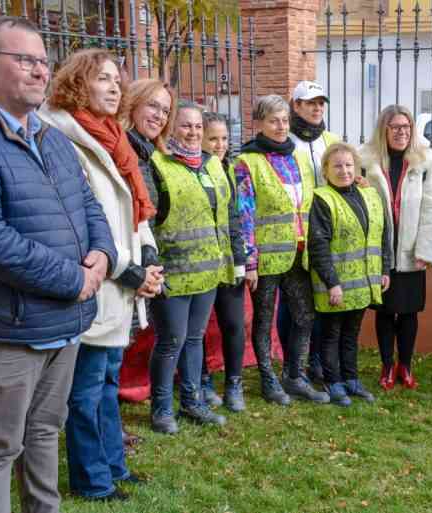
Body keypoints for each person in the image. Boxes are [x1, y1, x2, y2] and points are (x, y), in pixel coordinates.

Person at [0, 17, 116, 513]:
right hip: (2, 335)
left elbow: (90, 205)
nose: (39, 72)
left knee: (43, 435)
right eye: (25, 60)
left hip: (62, 326)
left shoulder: (52, 138)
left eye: (42, 61)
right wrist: (73, 280)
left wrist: (103, 255)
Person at [38, 49, 163, 502]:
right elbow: (83, 219)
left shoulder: (113, 136)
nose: (115, 88)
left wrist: (147, 258)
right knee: (88, 390)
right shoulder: (63, 136)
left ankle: (113, 465)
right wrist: (132, 272)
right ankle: (93, 480)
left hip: (125, 279)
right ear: (77, 84)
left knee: (108, 381)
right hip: (98, 281)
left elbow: (134, 205)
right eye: (103, 80)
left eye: (117, 80)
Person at [234, 94, 330, 405]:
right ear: (259, 123)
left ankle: (295, 375)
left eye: (284, 120)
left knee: (304, 316)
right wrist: (249, 260)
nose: (280, 126)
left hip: (299, 254)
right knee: (264, 320)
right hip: (266, 258)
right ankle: (268, 378)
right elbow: (244, 213)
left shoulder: (298, 157)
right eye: (273, 121)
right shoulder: (246, 162)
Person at [148, 102, 237, 430]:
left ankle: (192, 401)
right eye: (186, 126)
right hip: (172, 270)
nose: (193, 133)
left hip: (208, 270)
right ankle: (161, 409)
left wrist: (230, 262)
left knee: (196, 337)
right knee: (171, 339)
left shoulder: (213, 164)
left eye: (198, 127)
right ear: (171, 127)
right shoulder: (157, 163)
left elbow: (225, 218)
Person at [360, 104, 432, 390]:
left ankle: (404, 365)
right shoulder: (365, 159)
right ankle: (386, 365)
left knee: (408, 312)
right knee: (384, 311)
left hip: (410, 250)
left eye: (406, 128)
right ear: (384, 129)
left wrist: (425, 249)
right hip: (380, 251)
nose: (401, 133)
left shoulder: (425, 159)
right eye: (395, 128)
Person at [117, 78, 177, 446]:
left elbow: (148, 215)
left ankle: (109, 430)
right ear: (133, 104)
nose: (159, 115)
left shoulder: (146, 153)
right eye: (153, 105)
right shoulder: (121, 148)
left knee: (120, 351)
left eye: (165, 110)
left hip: (142, 262)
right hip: (122, 267)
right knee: (111, 356)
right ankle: (106, 433)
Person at [308, 143, 391, 406]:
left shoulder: (369, 195)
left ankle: (351, 379)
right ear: (325, 171)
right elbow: (318, 245)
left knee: (351, 334)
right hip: (335, 285)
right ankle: (333, 382)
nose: (344, 171)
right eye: (337, 166)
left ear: (356, 168)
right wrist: (332, 283)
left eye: (348, 165)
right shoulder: (322, 199)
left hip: (363, 283)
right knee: (331, 334)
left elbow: (383, 234)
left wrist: (384, 270)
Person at [278, 80, 341, 383]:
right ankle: (291, 362)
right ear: (296, 106)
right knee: (292, 304)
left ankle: (314, 358)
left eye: (320, 103)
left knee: (319, 299)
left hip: (326, 230)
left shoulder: (331, 139)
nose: (317, 108)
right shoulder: (285, 141)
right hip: (295, 234)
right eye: (310, 103)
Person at [199, 111, 249, 412]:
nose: (219, 145)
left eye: (224, 139)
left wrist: (242, 260)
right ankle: (202, 381)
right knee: (199, 327)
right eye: (213, 138)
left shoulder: (231, 169)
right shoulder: (192, 169)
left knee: (233, 323)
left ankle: (234, 383)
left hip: (229, 260)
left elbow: (236, 219)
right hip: (203, 261)